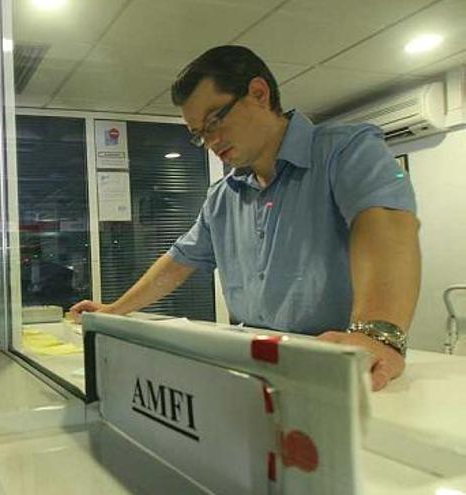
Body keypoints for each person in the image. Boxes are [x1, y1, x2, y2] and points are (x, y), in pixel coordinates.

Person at [70, 46, 421, 391]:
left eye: (214, 120)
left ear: (258, 93)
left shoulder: (345, 150)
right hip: (255, 367)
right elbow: (177, 263)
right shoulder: (223, 196)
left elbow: (386, 224)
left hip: (336, 368)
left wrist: (377, 334)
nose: (210, 140)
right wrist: (114, 311)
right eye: (199, 133)